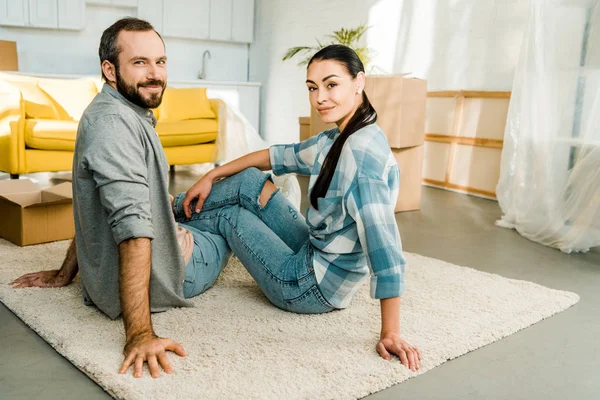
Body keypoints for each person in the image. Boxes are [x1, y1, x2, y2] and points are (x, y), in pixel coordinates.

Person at [174, 44, 422, 371]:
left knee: (231, 217)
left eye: (331, 85)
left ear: (358, 82)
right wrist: (211, 173)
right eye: (312, 87)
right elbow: (278, 155)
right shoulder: (341, 137)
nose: (320, 97)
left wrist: (390, 332)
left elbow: (386, 250)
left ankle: (163, 220)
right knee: (250, 180)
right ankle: (172, 210)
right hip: (314, 250)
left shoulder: (361, 160)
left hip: (309, 287)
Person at [9, 18, 232, 379]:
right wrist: (140, 334)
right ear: (109, 70)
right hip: (167, 275)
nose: (155, 74)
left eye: (160, 62)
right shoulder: (114, 126)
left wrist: (66, 272)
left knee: (216, 192)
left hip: (119, 273)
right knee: (233, 209)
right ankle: (308, 275)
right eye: (140, 63)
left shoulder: (112, 111)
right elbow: (133, 231)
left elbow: (92, 207)